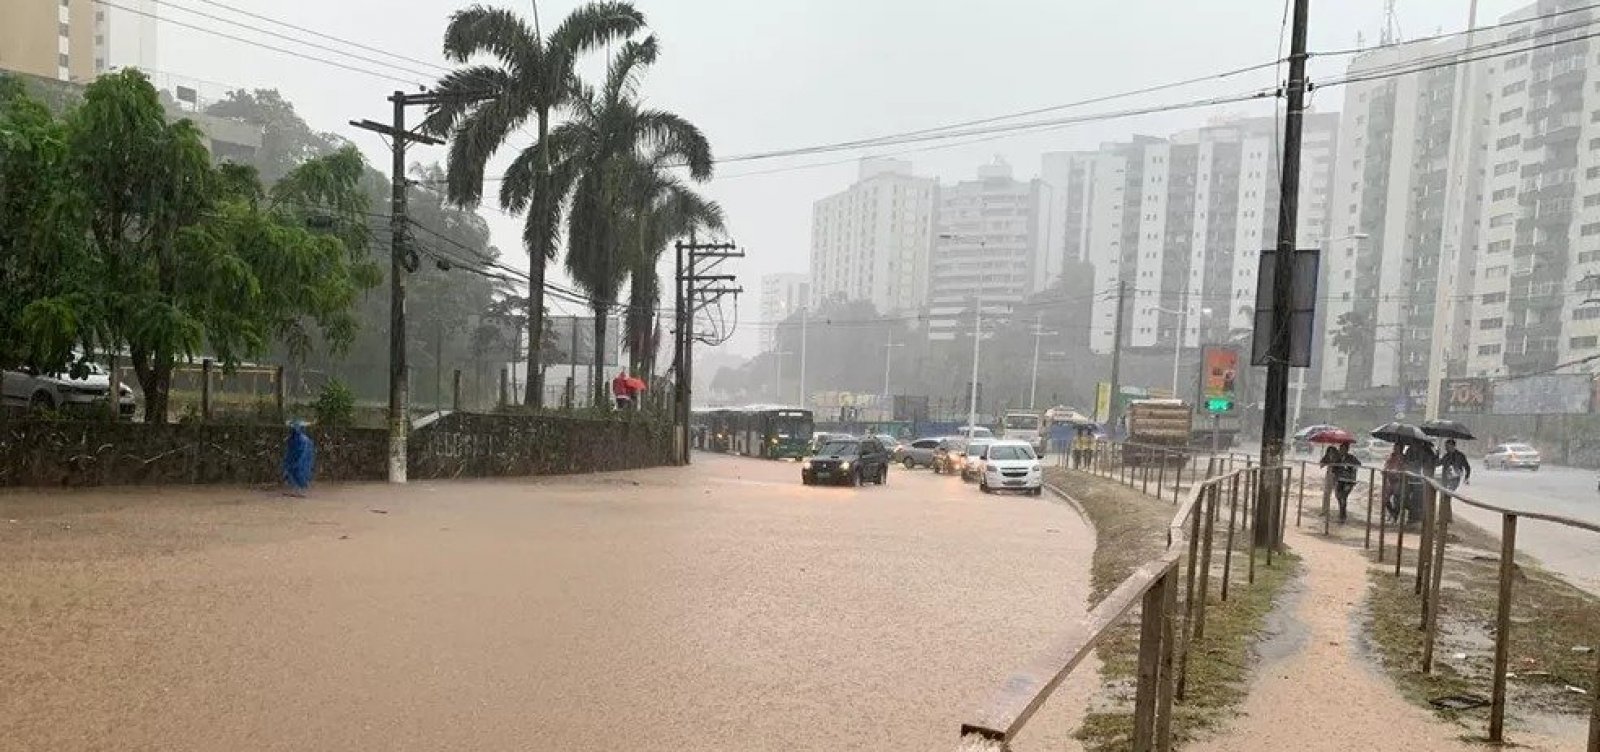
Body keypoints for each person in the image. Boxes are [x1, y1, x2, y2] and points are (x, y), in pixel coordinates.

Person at [1320, 441, 1360, 523]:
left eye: (1344, 449)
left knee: (1343, 497)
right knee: (1338, 496)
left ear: (1347, 450)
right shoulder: (1337, 458)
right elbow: (1332, 468)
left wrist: (1349, 467)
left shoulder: (1351, 458)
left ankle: (1342, 516)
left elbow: (1358, 464)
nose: (1342, 450)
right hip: (1340, 480)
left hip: (1349, 481)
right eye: (1341, 449)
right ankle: (1341, 513)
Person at [282, 421, 314, 498]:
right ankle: (295, 491)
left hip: (301, 460)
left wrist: (299, 460)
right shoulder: (292, 439)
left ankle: (299, 491)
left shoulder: (303, 440)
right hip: (294, 459)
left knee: (300, 473)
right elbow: (289, 450)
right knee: (291, 473)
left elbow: (305, 452)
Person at [1381, 445, 1405, 522]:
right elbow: (1386, 465)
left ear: (1401, 449)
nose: (1395, 449)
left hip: (1398, 480)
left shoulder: (1403, 458)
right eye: (1395, 448)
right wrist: (1385, 470)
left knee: (1397, 499)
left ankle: (1395, 516)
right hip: (1389, 480)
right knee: (1385, 499)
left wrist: (1398, 471)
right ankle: (1392, 513)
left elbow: (1405, 468)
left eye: (1397, 448)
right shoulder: (1391, 457)